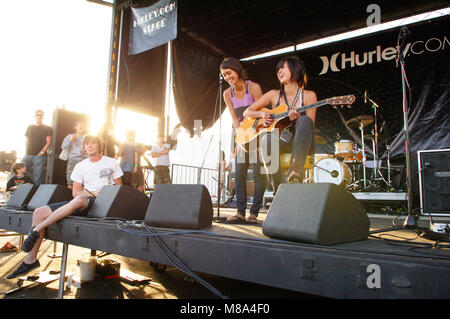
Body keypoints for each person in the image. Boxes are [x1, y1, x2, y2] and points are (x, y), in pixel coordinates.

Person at [6, 135, 123, 279]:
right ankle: (30, 260)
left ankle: (35, 230)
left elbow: (119, 188)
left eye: (93, 143)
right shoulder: (80, 166)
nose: (90, 146)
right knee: (38, 212)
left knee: (79, 200)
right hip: (84, 200)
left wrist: (99, 193)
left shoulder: (111, 162)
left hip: (104, 203)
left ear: (99, 145)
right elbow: (75, 192)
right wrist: (92, 192)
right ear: (84, 148)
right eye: (87, 144)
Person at [243, 55, 316, 189]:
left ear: (295, 69)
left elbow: (309, 127)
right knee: (268, 139)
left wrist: (297, 119)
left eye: (283, 68)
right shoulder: (273, 94)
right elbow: (247, 112)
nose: (279, 72)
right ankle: (277, 188)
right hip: (282, 141)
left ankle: (295, 173)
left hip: (300, 142)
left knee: (305, 120)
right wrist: (262, 114)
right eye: (278, 70)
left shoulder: (309, 96)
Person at [220, 57, 265, 224]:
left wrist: (254, 135)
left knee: (259, 174)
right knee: (239, 174)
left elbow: (262, 111)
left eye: (229, 73)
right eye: (224, 75)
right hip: (242, 136)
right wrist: (239, 140)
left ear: (237, 70)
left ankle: (254, 213)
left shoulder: (253, 87)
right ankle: (240, 212)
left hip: (258, 133)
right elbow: (234, 119)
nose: (227, 77)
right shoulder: (227, 94)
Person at [23, 109, 52, 185]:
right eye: (37, 115)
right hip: (27, 154)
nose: (39, 117)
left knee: (37, 177)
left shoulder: (47, 128)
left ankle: (35, 193)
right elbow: (26, 140)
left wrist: (41, 153)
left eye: (41, 115)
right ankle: (20, 191)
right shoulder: (30, 127)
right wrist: (26, 151)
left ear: (43, 117)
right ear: (34, 116)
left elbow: (48, 142)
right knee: (20, 172)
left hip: (39, 156)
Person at [61, 121, 87, 189]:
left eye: (83, 125)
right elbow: (63, 147)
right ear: (75, 127)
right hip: (73, 160)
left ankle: (80, 197)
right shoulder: (70, 136)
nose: (82, 127)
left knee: (83, 182)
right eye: (80, 125)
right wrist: (70, 140)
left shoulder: (87, 137)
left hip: (83, 160)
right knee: (70, 183)